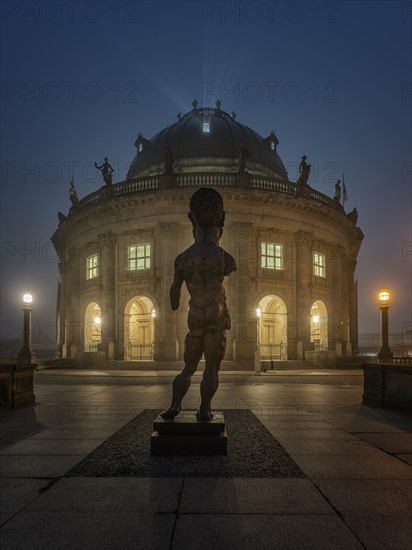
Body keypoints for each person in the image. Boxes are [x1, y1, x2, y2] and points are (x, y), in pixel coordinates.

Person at [161, 188, 237, 422]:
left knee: (188, 368)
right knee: (211, 368)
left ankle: (174, 406)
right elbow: (230, 271)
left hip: (194, 314)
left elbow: (174, 298)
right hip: (215, 311)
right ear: (218, 229)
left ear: (193, 227)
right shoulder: (225, 257)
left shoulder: (182, 259)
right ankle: (204, 410)